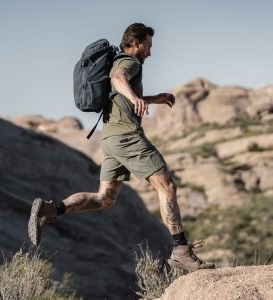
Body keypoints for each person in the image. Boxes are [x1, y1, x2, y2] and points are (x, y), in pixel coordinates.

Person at [28, 23, 215, 271]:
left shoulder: (117, 60)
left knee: (104, 198)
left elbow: (118, 95)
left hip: (110, 139)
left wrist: (151, 99)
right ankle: (181, 250)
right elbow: (118, 81)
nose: (150, 52)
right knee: (167, 185)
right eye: (148, 46)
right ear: (136, 42)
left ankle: (51, 210)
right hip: (127, 136)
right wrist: (136, 98)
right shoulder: (129, 62)